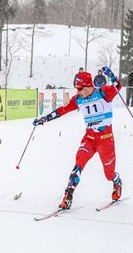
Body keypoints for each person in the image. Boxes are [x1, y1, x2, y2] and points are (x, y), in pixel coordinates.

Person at [33, 67, 122, 210]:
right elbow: (62, 110)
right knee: (78, 164)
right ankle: (68, 196)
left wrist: (110, 75)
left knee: (109, 174)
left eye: (80, 88)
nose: (78, 91)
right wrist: (45, 118)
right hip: (90, 138)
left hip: (106, 140)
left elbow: (118, 86)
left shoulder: (103, 92)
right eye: (76, 88)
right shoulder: (79, 99)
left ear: (89, 86)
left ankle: (117, 182)